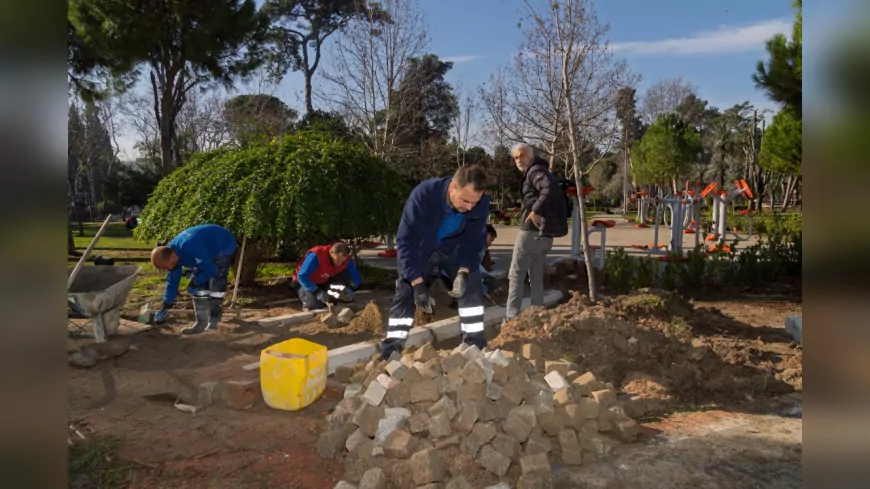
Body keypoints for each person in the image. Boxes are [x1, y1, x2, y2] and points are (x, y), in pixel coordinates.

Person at [379, 165, 491, 360]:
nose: (470, 207)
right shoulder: (425, 195)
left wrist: (463, 272)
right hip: (422, 249)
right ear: (452, 188)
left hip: (453, 248)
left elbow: (473, 242)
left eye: (475, 202)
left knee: (472, 282)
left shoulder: (478, 203)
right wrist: (417, 284)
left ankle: (474, 346)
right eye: (465, 201)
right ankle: (391, 349)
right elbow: (406, 242)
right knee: (406, 290)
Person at [503, 143, 568, 328]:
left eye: (521, 156)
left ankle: (511, 319)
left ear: (531, 156)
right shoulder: (541, 170)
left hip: (531, 232)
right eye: (515, 157)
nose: (518, 160)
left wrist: (536, 211)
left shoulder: (535, 171)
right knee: (536, 275)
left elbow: (549, 189)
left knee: (515, 274)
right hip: (544, 234)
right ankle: (537, 313)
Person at [151, 224, 237, 334]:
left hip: (222, 244)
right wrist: (166, 304)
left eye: (166, 267)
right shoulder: (172, 254)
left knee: (216, 283)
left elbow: (211, 270)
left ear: (172, 257)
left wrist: (196, 281)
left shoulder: (190, 247)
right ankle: (201, 323)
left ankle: (214, 321)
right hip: (204, 248)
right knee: (199, 287)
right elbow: (172, 280)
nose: (168, 269)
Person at [290, 242, 362, 311]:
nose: (339, 264)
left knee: (344, 274)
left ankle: (331, 297)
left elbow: (356, 276)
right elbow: (301, 276)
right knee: (315, 305)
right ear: (331, 253)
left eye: (342, 262)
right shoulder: (317, 255)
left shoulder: (347, 259)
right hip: (304, 283)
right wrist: (317, 291)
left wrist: (350, 288)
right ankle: (307, 303)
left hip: (324, 280)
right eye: (337, 261)